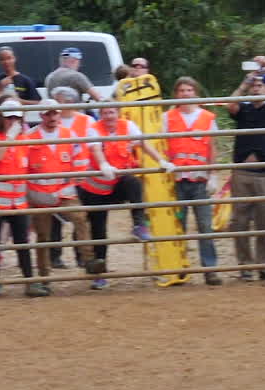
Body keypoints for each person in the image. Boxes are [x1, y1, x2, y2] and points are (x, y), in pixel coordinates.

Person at [78, 106, 173, 288]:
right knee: (99, 232)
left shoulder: (127, 126)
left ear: (118, 113)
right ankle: (99, 274)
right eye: (105, 112)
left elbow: (144, 144)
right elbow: (96, 150)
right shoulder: (94, 129)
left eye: (112, 112)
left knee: (134, 182)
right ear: (100, 115)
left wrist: (161, 160)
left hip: (117, 184)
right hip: (95, 190)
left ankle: (139, 224)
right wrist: (104, 164)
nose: (109, 116)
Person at [22, 98, 101, 294]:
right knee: (43, 236)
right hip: (39, 195)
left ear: (59, 114)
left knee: (80, 216)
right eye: (47, 113)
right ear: (41, 115)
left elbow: (79, 161)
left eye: (55, 113)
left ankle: (88, 260)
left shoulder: (69, 135)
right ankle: (44, 278)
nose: (52, 117)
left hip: (64, 191)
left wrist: (75, 181)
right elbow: (21, 166)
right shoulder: (29, 138)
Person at [226, 56, 265, 281]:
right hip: (242, 173)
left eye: (260, 85)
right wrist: (245, 83)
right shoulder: (243, 110)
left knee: (264, 222)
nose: (257, 88)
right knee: (239, 222)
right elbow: (229, 103)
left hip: (264, 174)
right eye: (254, 85)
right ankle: (245, 266)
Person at [165, 76, 221, 285]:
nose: (186, 94)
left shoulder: (207, 117)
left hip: (200, 180)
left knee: (205, 226)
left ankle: (210, 269)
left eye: (189, 90)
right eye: (181, 91)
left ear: (195, 93)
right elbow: (161, 144)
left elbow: (212, 147)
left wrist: (213, 174)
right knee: (177, 226)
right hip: (176, 180)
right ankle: (179, 268)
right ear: (176, 94)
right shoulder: (167, 117)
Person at [0, 99, 39, 297]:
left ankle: (30, 282)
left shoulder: (24, 139)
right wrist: (9, 136)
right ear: (1, 118)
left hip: (18, 202)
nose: (13, 121)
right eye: (9, 117)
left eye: (16, 117)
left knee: (23, 242)